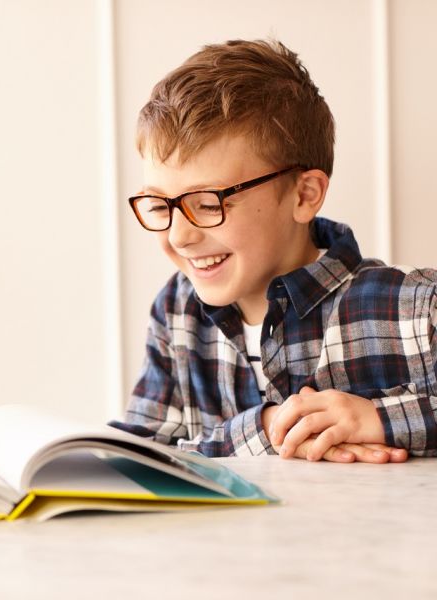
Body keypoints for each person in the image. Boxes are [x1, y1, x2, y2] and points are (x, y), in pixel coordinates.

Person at [112, 39, 437, 462]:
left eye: (208, 204)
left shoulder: (414, 308)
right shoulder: (177, 311)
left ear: (304, 195)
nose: (179, 236)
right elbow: (136, 458)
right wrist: (266, 429)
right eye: (160, 206)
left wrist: (379, 419)